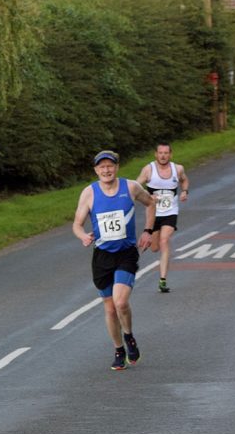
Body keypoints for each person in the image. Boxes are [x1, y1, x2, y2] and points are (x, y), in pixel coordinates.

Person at [72, 150, 156, 371]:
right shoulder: (89, 193)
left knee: (120, 302)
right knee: (109, 309)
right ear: (96, 170)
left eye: (110, 166)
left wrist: (148, 231)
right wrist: (83, 236)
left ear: (117, 167)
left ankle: (128, 336)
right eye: (102, 167)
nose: (106, 170)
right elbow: (77, 224)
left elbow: (151, 203)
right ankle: (119, 348)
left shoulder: (130, 187)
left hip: (126, 253)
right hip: (101, 257)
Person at [137, 142, 190, 293]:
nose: (163, 156)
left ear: (170, 154)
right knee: (155, 248)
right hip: (153, 214)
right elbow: (135, 187)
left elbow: (184, 180)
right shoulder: (148, 170)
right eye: (160, 153)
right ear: (156, 154)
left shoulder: (177, 169)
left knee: (164, 240)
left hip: (170, 212)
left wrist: (185, 191)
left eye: (166, 153)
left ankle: (162, 280)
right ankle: (153, 243)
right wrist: (148, 195)